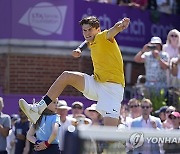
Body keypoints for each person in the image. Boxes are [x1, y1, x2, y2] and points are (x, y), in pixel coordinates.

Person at [19, 16, 130, 127]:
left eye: (90, 30)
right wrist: (79, 49)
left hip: (112, 91)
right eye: (84, 30)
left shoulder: (103, 36)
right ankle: (38, 109)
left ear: (98, 29)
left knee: (110, 137)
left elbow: (114, 30)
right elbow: (87, 42)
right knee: (66, 76)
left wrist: (121, 24)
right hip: (96, 83)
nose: (87, 33)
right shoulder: (92, 40)